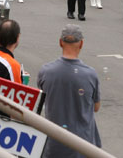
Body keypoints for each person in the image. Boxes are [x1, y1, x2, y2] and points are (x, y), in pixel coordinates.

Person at [37, 25, 101, 158]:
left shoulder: (46, 71)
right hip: (83, 145)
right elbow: (96, 107)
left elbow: (41, 96)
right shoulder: (90, 74)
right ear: (81, 44)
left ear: (60, 42)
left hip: (54, 144)